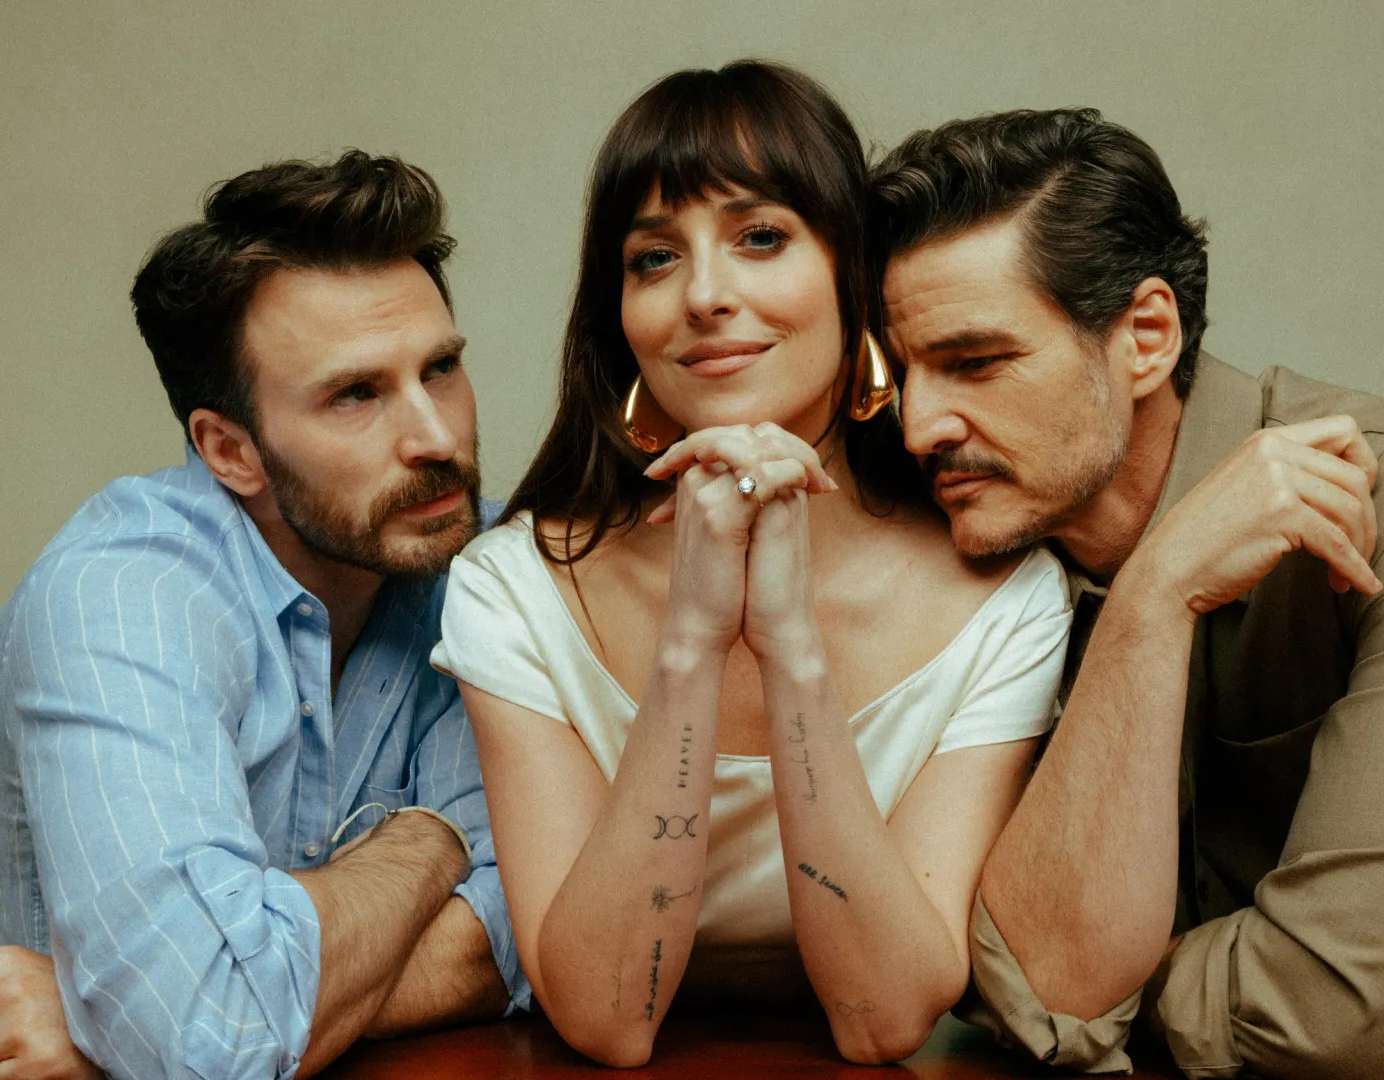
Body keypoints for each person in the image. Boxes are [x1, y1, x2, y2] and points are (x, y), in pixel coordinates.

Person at [869, 108, 1384, 1078]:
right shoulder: (968, 566)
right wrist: (1157, 591)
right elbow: (993, 980)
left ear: (1146, 337)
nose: (919, 426)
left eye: (974, 363)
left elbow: (1333, 1011)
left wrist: (1079, 991)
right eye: (902, 373)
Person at [429, 61, 1073, 1067]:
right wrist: (691, 640)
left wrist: (789, 649)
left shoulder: (1003, 601)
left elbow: (884, 1019)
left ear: (853, 275)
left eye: (761, 238)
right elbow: (606, 1019)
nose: (704, 296)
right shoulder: (513, 590)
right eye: (653, 258)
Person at [0, 151, 528, 1080]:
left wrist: (117, 1024)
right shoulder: (124, 601)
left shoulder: (489, 571)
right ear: (229, 450)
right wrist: (434, 838)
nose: (436, 437)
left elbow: (541, 937)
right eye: (355, 394)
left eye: (440, 369)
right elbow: (216, 1040)